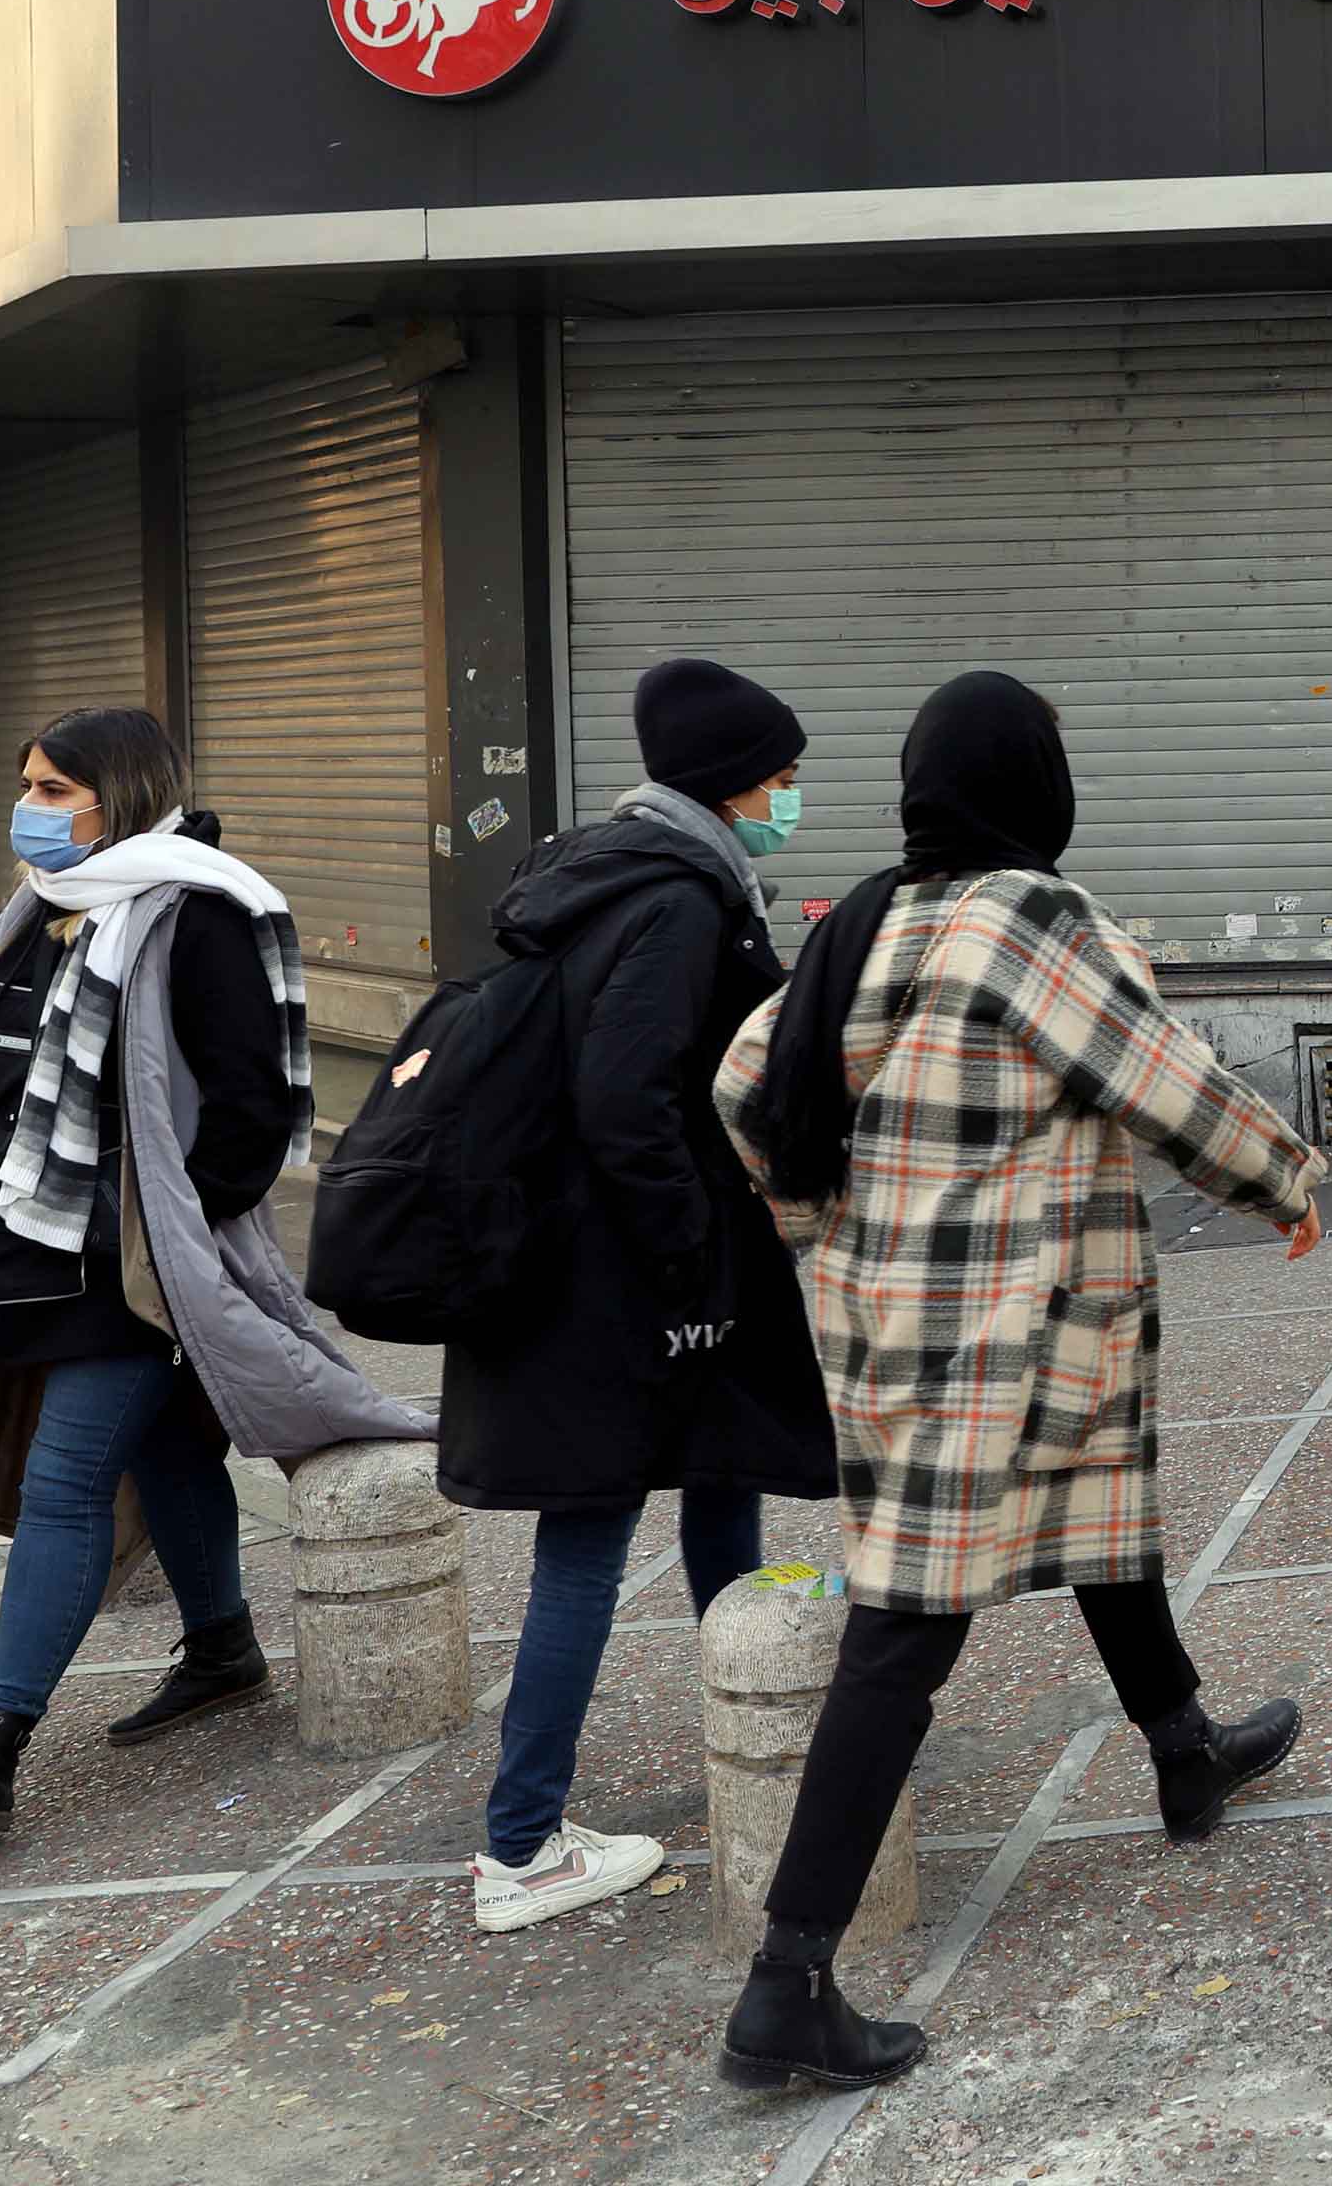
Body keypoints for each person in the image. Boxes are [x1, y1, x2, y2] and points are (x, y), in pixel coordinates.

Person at [704, 670, 1330, 2093]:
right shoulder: (1029, 918)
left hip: (905, 1328)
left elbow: (745, 1084)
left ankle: (1186, 1749)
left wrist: (825, 1236)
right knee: (904, 1633)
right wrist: (1285, 1181)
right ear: (1033, 787)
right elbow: (1161, 1080)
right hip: (999, 1335)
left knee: (1098, 1513)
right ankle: (787, 1976)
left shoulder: (873, 918)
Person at [0, 708, 431, 1831]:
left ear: (118, 794)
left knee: (65, 1482)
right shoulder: (46, 911)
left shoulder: (202, 911)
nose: (29, 811)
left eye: (52, 791)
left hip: (125, 1269)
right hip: (25, 1248)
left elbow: (256, 1109)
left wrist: (163, 1230)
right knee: (177, 1446)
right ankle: (224, 1645)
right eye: (27, 786)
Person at [438, 658, 839, 1933]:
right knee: (586, 1548)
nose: (789, 798)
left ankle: (761, 1734)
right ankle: (519, 1852)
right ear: (730, 783)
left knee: (725, 1476)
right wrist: (689, 1259)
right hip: (620, 1278)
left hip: (604, 1263)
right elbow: (627, 1094)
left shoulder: (608, 872)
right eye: (779, 777)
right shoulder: (673, 898)